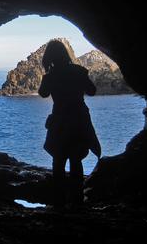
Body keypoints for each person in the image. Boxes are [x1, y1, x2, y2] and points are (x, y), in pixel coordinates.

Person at [38, 40, 101, 210]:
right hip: (79, 119)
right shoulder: (78, 71)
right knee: (76, 159)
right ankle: (77, 201)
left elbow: (43, 93)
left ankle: (59, 202)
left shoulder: (50, 76)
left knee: (58, 161)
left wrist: (49, 76)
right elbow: (92, 91)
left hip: (59, 121)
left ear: (49, 57)